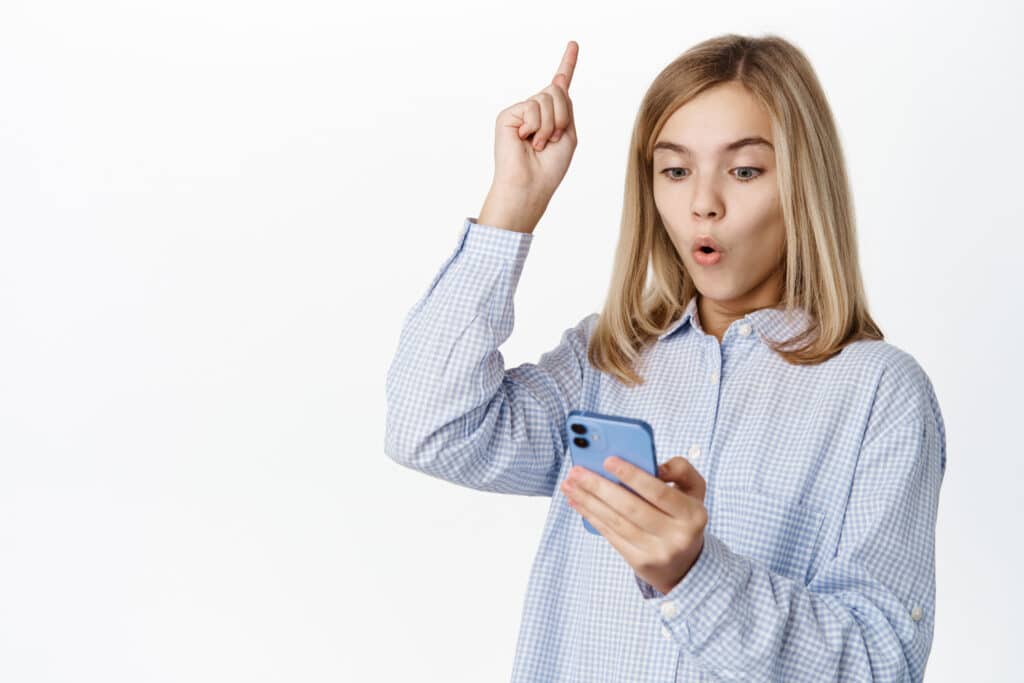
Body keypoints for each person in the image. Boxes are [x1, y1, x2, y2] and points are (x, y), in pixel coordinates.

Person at [384, 34, 946, 682]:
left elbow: (880, 665)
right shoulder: (605, 360)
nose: (703, 203)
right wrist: (512, 204)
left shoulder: (880, 393)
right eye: (675, 170)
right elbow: (427, 427)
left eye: (744, 170)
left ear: (802, 184)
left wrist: (695, 574)